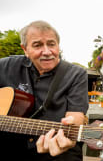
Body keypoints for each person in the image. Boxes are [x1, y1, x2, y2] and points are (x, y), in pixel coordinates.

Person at [0, 20, 89, 161]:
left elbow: (76, 116)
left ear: (58, 46)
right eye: (37, 45)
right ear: (25, 49)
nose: (47, 52)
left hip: (56, 148)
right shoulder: (5, 66)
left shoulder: (76, 74)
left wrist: (72, 127)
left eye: (51, 44)